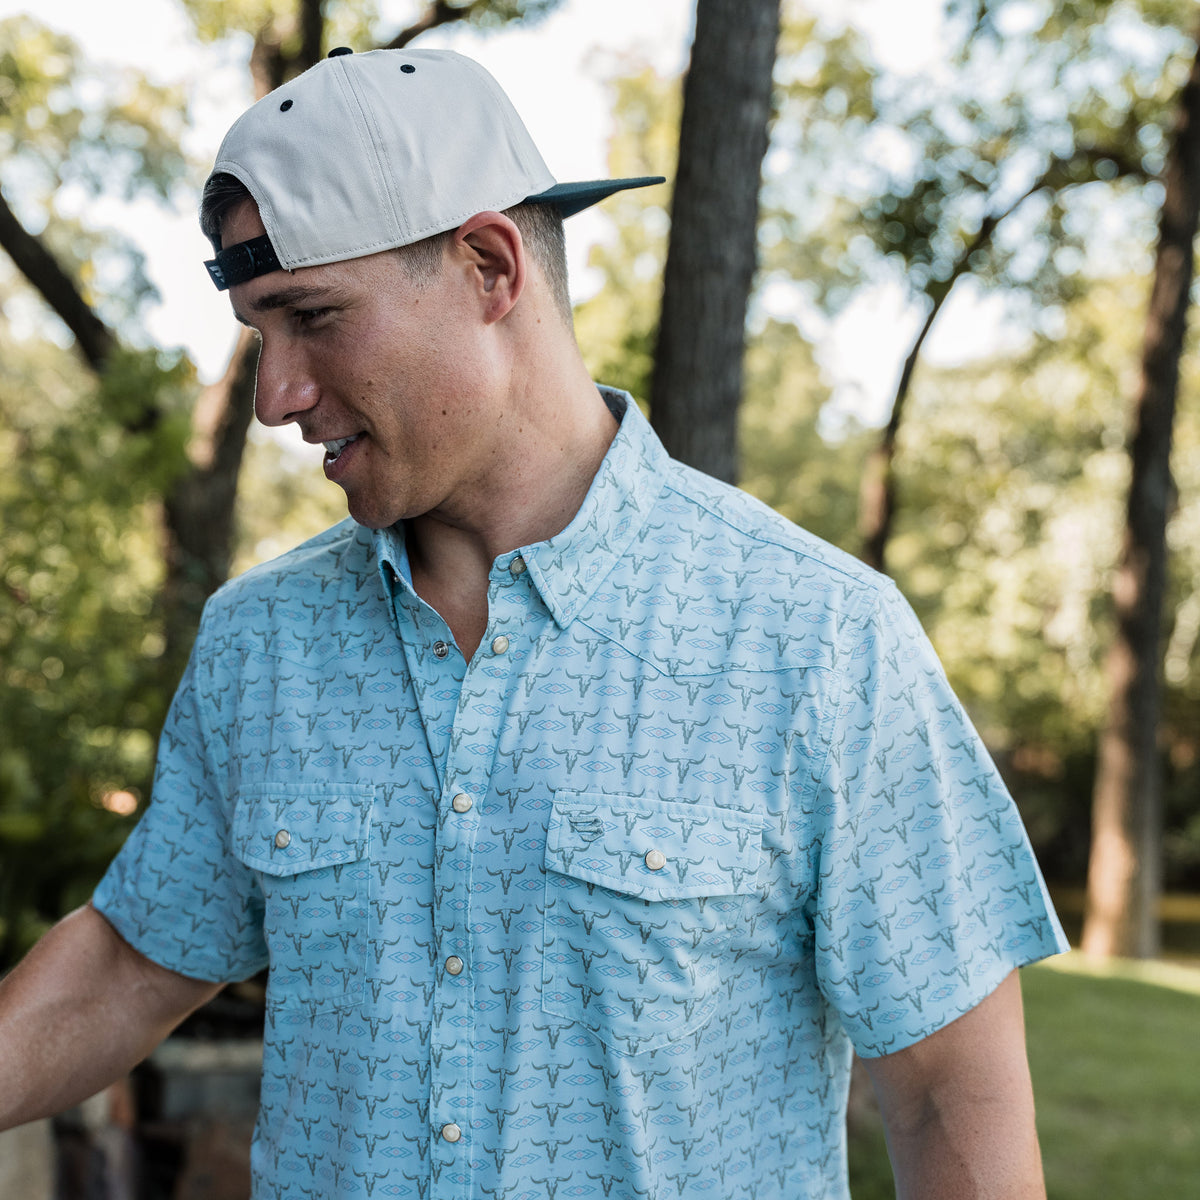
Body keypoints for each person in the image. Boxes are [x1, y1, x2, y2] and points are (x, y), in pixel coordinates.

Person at [0, 46, 1067, 1200]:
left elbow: (950, 1092)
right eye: (262, 332)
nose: (275, 394)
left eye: (310, 317)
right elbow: (127, 962)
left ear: (488, 265)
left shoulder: (818, 641)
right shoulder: (261, 643)